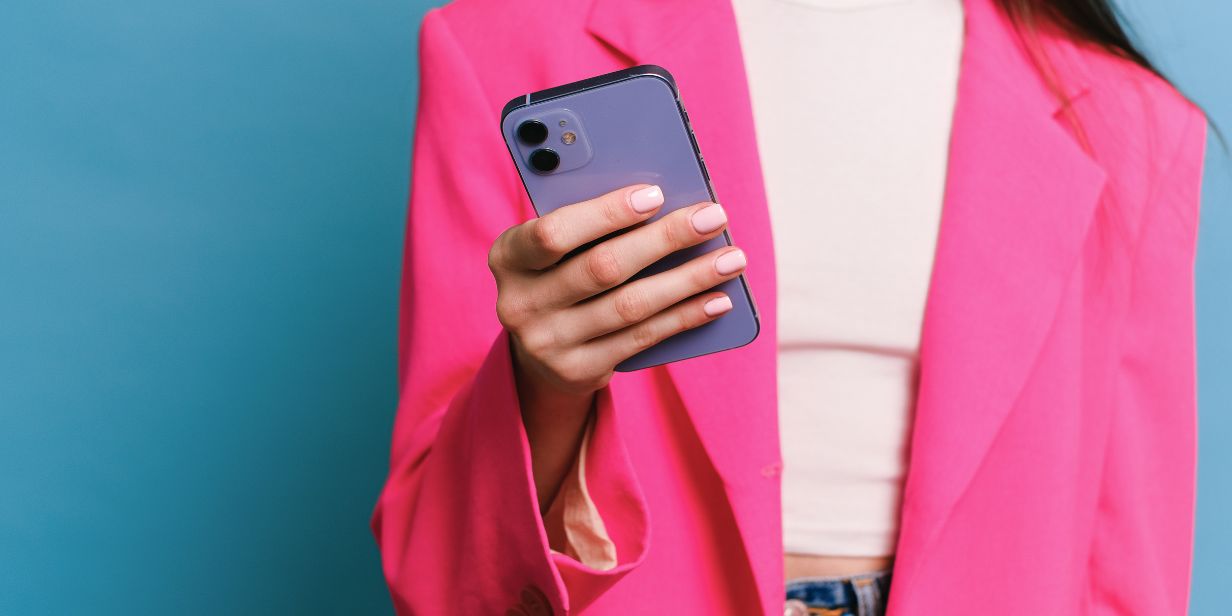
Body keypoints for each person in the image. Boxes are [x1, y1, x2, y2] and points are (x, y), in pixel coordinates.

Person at [371, 0, 1208, 613]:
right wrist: (544, 386)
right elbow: (442, 575)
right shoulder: (500, 48)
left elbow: (1130, 573)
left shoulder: (1135, 122)